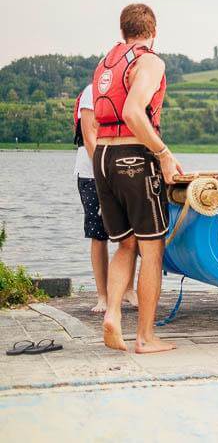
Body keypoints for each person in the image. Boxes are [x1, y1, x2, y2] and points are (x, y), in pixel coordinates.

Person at [93, 3, 182, 353]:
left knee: (124, 244)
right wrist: (163, 154)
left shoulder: (107, 62)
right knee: (151, 249)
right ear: (153, 31)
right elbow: (133, 111)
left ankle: (113, 313)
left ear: (123, 31)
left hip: (101, 156)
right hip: (133, 157)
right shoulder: (149, 60)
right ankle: (145, 337)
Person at [73, 83, 137, 313]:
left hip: (126, 168)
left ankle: (128, 289)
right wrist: (103, 173)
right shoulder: (93, 91)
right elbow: (90, 135)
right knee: (98, 233)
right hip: (92, 173)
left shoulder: (132, 90)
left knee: (131, 232)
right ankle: (102, 295)